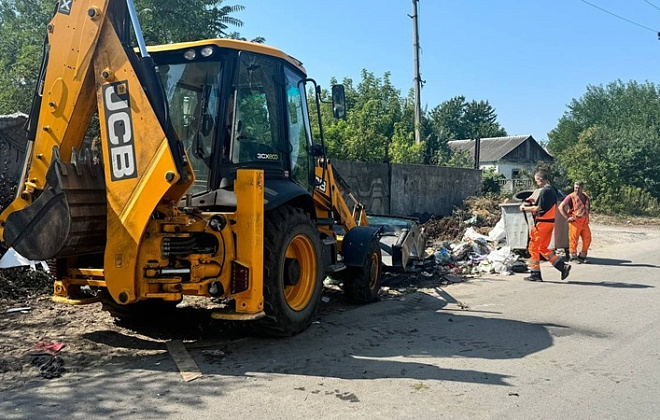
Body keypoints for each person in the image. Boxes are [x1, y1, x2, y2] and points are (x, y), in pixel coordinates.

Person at [519, 171, 572, 282]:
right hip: (550, 222)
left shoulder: (544, 191)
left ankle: (535, 274)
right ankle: (562, 266)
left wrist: (524, 208)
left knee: (533, 247)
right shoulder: (553, 189)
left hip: (542, 223)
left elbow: (537, 208)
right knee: (543, 248)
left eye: (536, 180)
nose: (536, 182)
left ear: (540, 179)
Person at [558, 180, 591, 264]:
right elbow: (560, 207)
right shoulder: (570, 197)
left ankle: (582, 256)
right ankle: (573, 257)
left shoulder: (586, 196)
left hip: (585, 222)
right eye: (575, 187)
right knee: (574, 240)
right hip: (575, 221)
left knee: (588, 239)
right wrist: (568, 217)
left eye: (578, 188)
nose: (576, 189)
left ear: (582, 188)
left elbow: (588, 207)